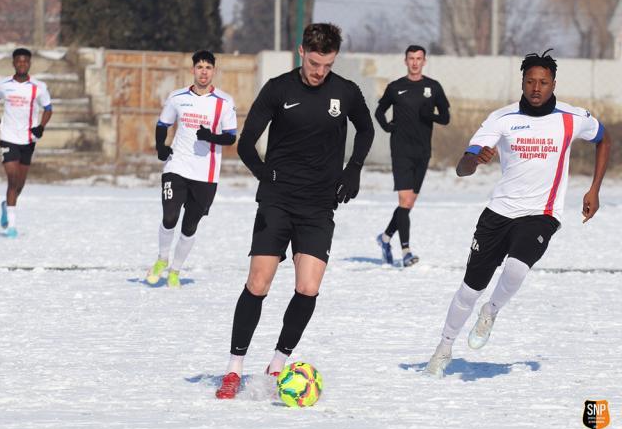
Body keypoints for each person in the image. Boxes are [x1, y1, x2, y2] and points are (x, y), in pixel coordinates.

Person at [425, 50, 611, 378]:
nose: (536, 88)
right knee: (469, 289)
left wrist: (594, 188)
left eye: (543, 82)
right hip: (498, 213)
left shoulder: (572, 118)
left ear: (554, 84)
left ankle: (491, 311)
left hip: (542, 213)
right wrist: (475, 159)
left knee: (516, 268)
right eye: (530, 82)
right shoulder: (502, 118)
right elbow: (462, 167)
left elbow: (603, 138)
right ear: (522, 83)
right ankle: (443, 347)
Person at [215, 23, 375, 399]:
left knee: (308, 286)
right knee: (259, 283)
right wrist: (264, 174)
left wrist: (353, 170)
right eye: (315, 62)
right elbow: (246, 143)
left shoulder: (346, 92)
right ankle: (234, 369)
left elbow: (366, 131)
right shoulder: (278, 89)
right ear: (301, 51)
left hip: (319, 205)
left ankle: (277, 362)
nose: (320, 71)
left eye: (328, 64)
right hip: (278, 201)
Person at [145, 50, 237, 289]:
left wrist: (211, 136)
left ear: (214, 71)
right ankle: (162, 259)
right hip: (177, 166)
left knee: (189, 226)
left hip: (206, 174)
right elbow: (162, 124)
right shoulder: (177, 97)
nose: (203, 72)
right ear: (193, 70)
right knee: (170, 216)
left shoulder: (224, 102)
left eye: (208, 67)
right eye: (200, 67)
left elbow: (230, 138)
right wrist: (160, 147)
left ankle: (175, 270)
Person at [374, 45, 450, 266]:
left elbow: (445, 118)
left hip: (423, 152)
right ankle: (406, 251)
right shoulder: (396, 87)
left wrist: (432, 116)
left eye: (419, 58)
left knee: (408, 205)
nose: (415, 62)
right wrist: (387, 127)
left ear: (424, 61)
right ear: (405, 61)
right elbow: (379, 111)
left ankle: (385, 238)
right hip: (400, 150)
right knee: (404, 200)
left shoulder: (433, 87)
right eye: (411, 58)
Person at [0, 48, 52, 238]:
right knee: (12, 179)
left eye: (25, 62)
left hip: (28, 139)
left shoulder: (38, 86)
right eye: (18, 61)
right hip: (8, 136)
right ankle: (11, 227)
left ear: (30, 63)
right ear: (13, 63)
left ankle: (6, 205)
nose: (22, 64)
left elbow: (48, 108)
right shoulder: (2, 84)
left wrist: (41, 126)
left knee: (20, 184)